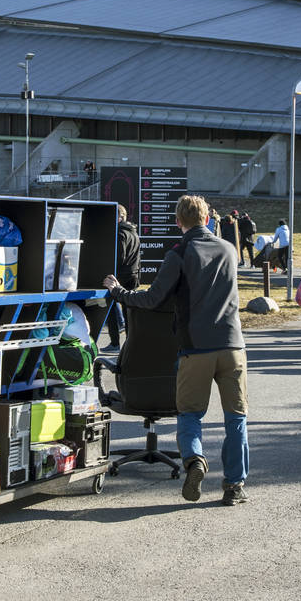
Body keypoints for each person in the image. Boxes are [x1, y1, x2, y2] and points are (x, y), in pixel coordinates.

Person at [102, 194, 249, 506]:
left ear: (178, 222)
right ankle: (234, 486)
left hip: (196, 348)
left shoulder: (179, 253)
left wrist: (118, 292)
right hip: (233, 345)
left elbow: (153, 298)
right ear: (208, 219)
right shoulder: (229, 250)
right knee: (236, 418)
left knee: (189, 414)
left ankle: (194, 460)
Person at [104, 203, 141, 351]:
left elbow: (118, 258)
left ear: (119, 218)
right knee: (128, 314)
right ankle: (130, 345)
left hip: (120, 277)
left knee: (111, 308)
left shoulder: (120, 234)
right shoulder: (133, 232)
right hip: (133, 276)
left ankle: (115, 343)